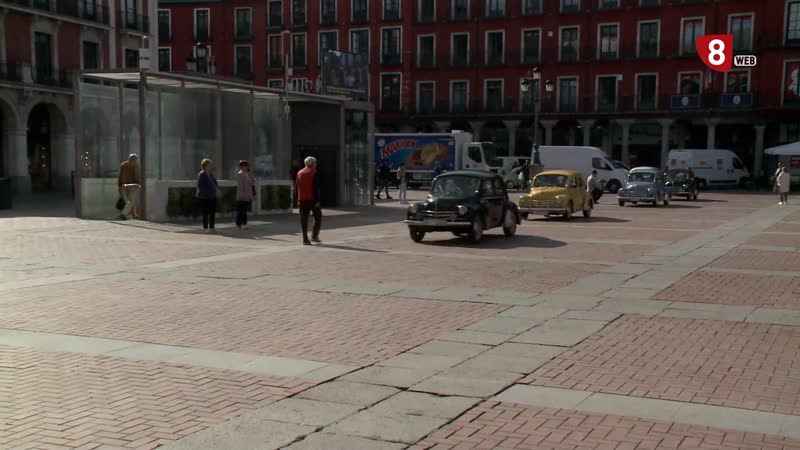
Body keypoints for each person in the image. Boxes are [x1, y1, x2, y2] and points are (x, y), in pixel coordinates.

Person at [296, 156, 322, 245]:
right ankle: (314, 236)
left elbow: (296, 186)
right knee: (318, 217)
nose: (316, 164)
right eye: (315, 163)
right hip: (312, 199)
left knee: (304, 220)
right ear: (312, 164)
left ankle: (305, 239)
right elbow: (316, 188)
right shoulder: (314, 172)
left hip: (302, 199)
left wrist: (297, 199)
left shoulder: (299, 173)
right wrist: (317, 200)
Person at [196, 158, 219, 232]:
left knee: (212, 212)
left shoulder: (211, 174)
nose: (210, 166)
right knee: (205, 213)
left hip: (212, 196)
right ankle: (205, 227)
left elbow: (215, 183)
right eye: (209, 165)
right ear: (205, 165)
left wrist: (216, 191)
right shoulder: (202, 174)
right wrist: (207, 193)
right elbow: (200, 186)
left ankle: (212, 227)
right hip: (204, 197)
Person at [117, 153, 141, 220]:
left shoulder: (123, 164)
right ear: (135, 159)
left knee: (131, 200)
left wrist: (120, 184)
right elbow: (137, 175)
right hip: (133, 185)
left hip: (125, 185)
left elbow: (120, 175)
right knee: (131, 200)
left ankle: (134, 215)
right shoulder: (135, 165)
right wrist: (139, 183)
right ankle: (123, 213)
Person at [235, 160, 253, 230]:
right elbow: (241, 187)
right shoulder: (240, 174)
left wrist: (250, 195)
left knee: (244, 211)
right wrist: (243, 195)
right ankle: (240, 224)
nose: (246, 167)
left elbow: (250, 185)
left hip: (247, 195)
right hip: (241, 196)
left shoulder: (247, 174)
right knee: (241, 211)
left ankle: (243, 224)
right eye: (244, 166)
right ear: (241, 167)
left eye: (246, 166)